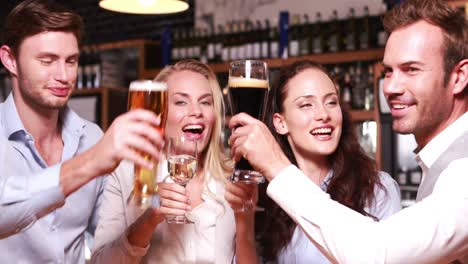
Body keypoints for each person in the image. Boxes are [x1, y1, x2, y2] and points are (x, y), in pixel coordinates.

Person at [228, 0, 468, 263]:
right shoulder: (438, 162)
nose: (390, 87)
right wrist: (244, 218)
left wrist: (275, 164)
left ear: (459, 77)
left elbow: (378, 253)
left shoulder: (462, 170)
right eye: (388, 72)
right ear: (279, 121)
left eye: (412, 69)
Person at [0, 0, 164, 263]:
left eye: (71, 61)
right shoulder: (97, 150)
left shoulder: (93, 138)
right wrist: (89, 164)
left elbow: (102, 255)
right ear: (10, 60)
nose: (64, 75)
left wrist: (146, 222)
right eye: (47, 60)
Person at [91, 59, 256, 263]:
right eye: (181, 102)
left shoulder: (232, 177)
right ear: (160, 112)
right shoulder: (127, 173)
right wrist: (149, 218)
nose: (196, 112)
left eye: (205, 102)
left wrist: (244, 221)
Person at [263, 60, 400, 263]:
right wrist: (243, 220)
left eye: (331, 102)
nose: (324, 115)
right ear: (280, 123)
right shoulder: (269, 196)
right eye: (306, 105)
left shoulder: (378, 189)